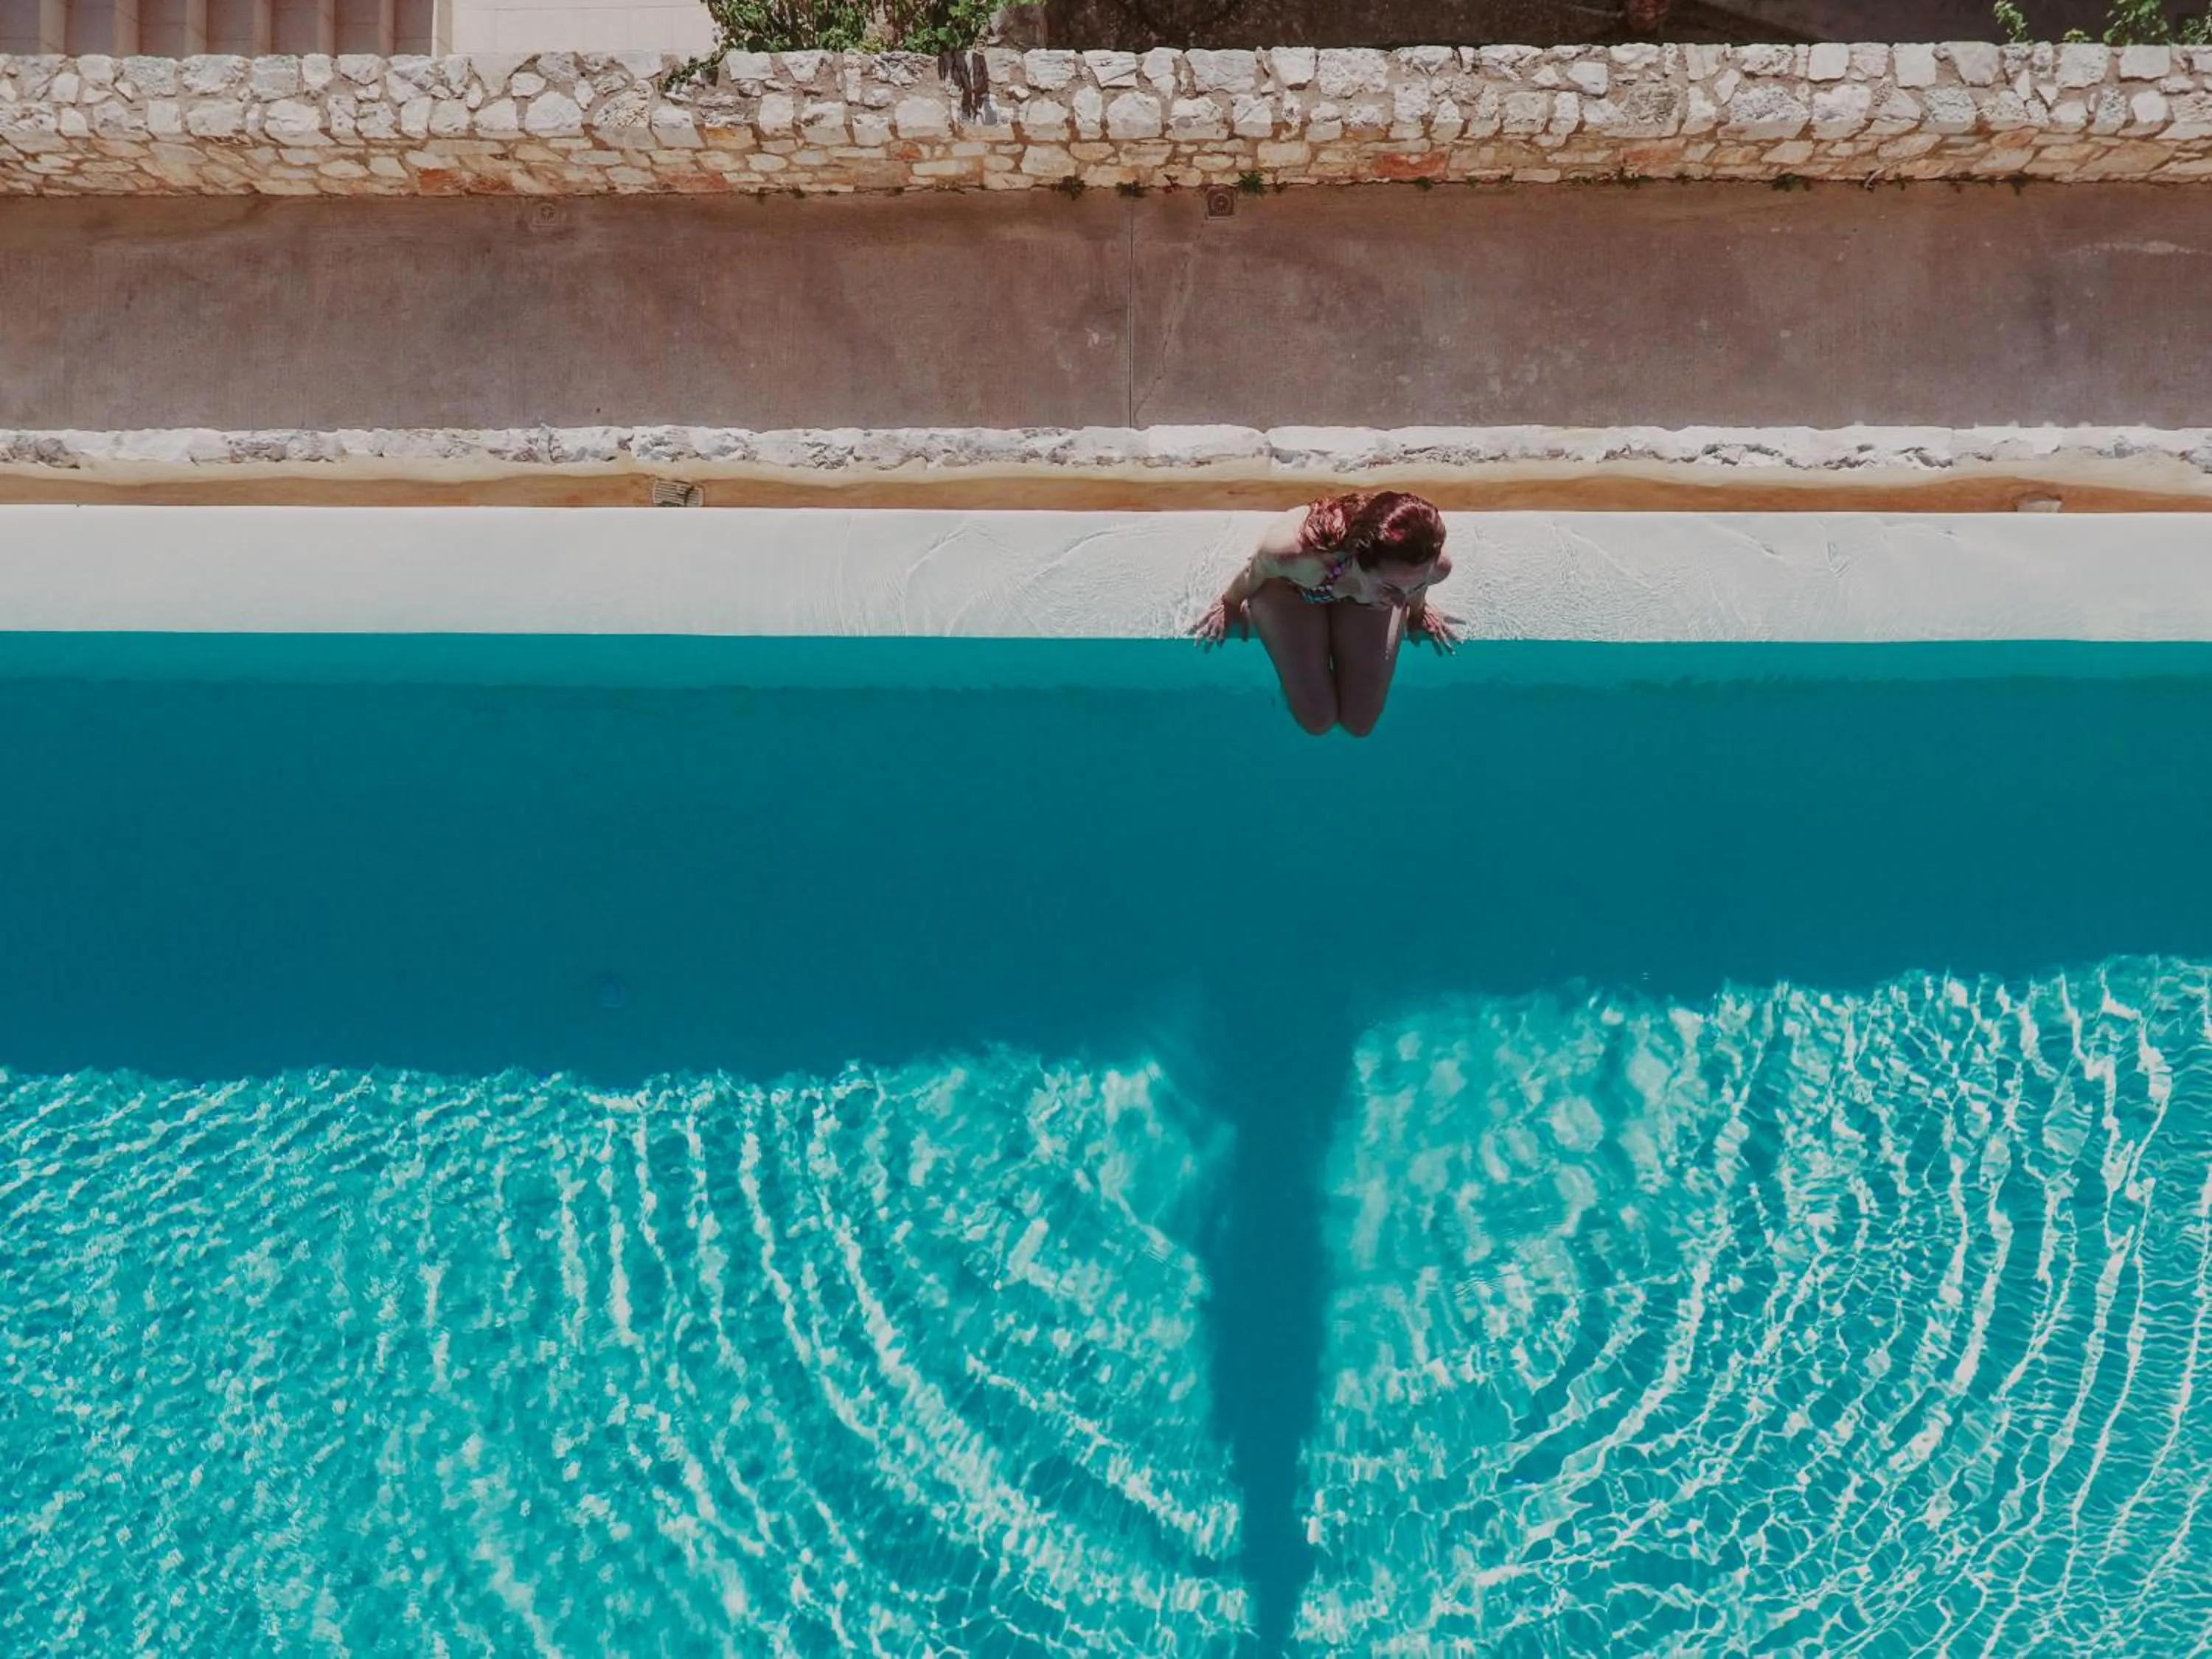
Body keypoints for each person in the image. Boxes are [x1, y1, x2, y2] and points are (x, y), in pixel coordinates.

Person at [1189, 491, 1460, 736]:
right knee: (1316, 719)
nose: (1401, 599)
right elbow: (1254, 572)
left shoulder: (1435, 567)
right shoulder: (1296, 555)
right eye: (1391, 587)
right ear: (1358, 558)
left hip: (1360, 593)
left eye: (1417, 584)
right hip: (1291, 589)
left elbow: (1409, 589)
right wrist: (1230, 603)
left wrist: (1418, 611)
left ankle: (1358, 605)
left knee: (1360, 722)